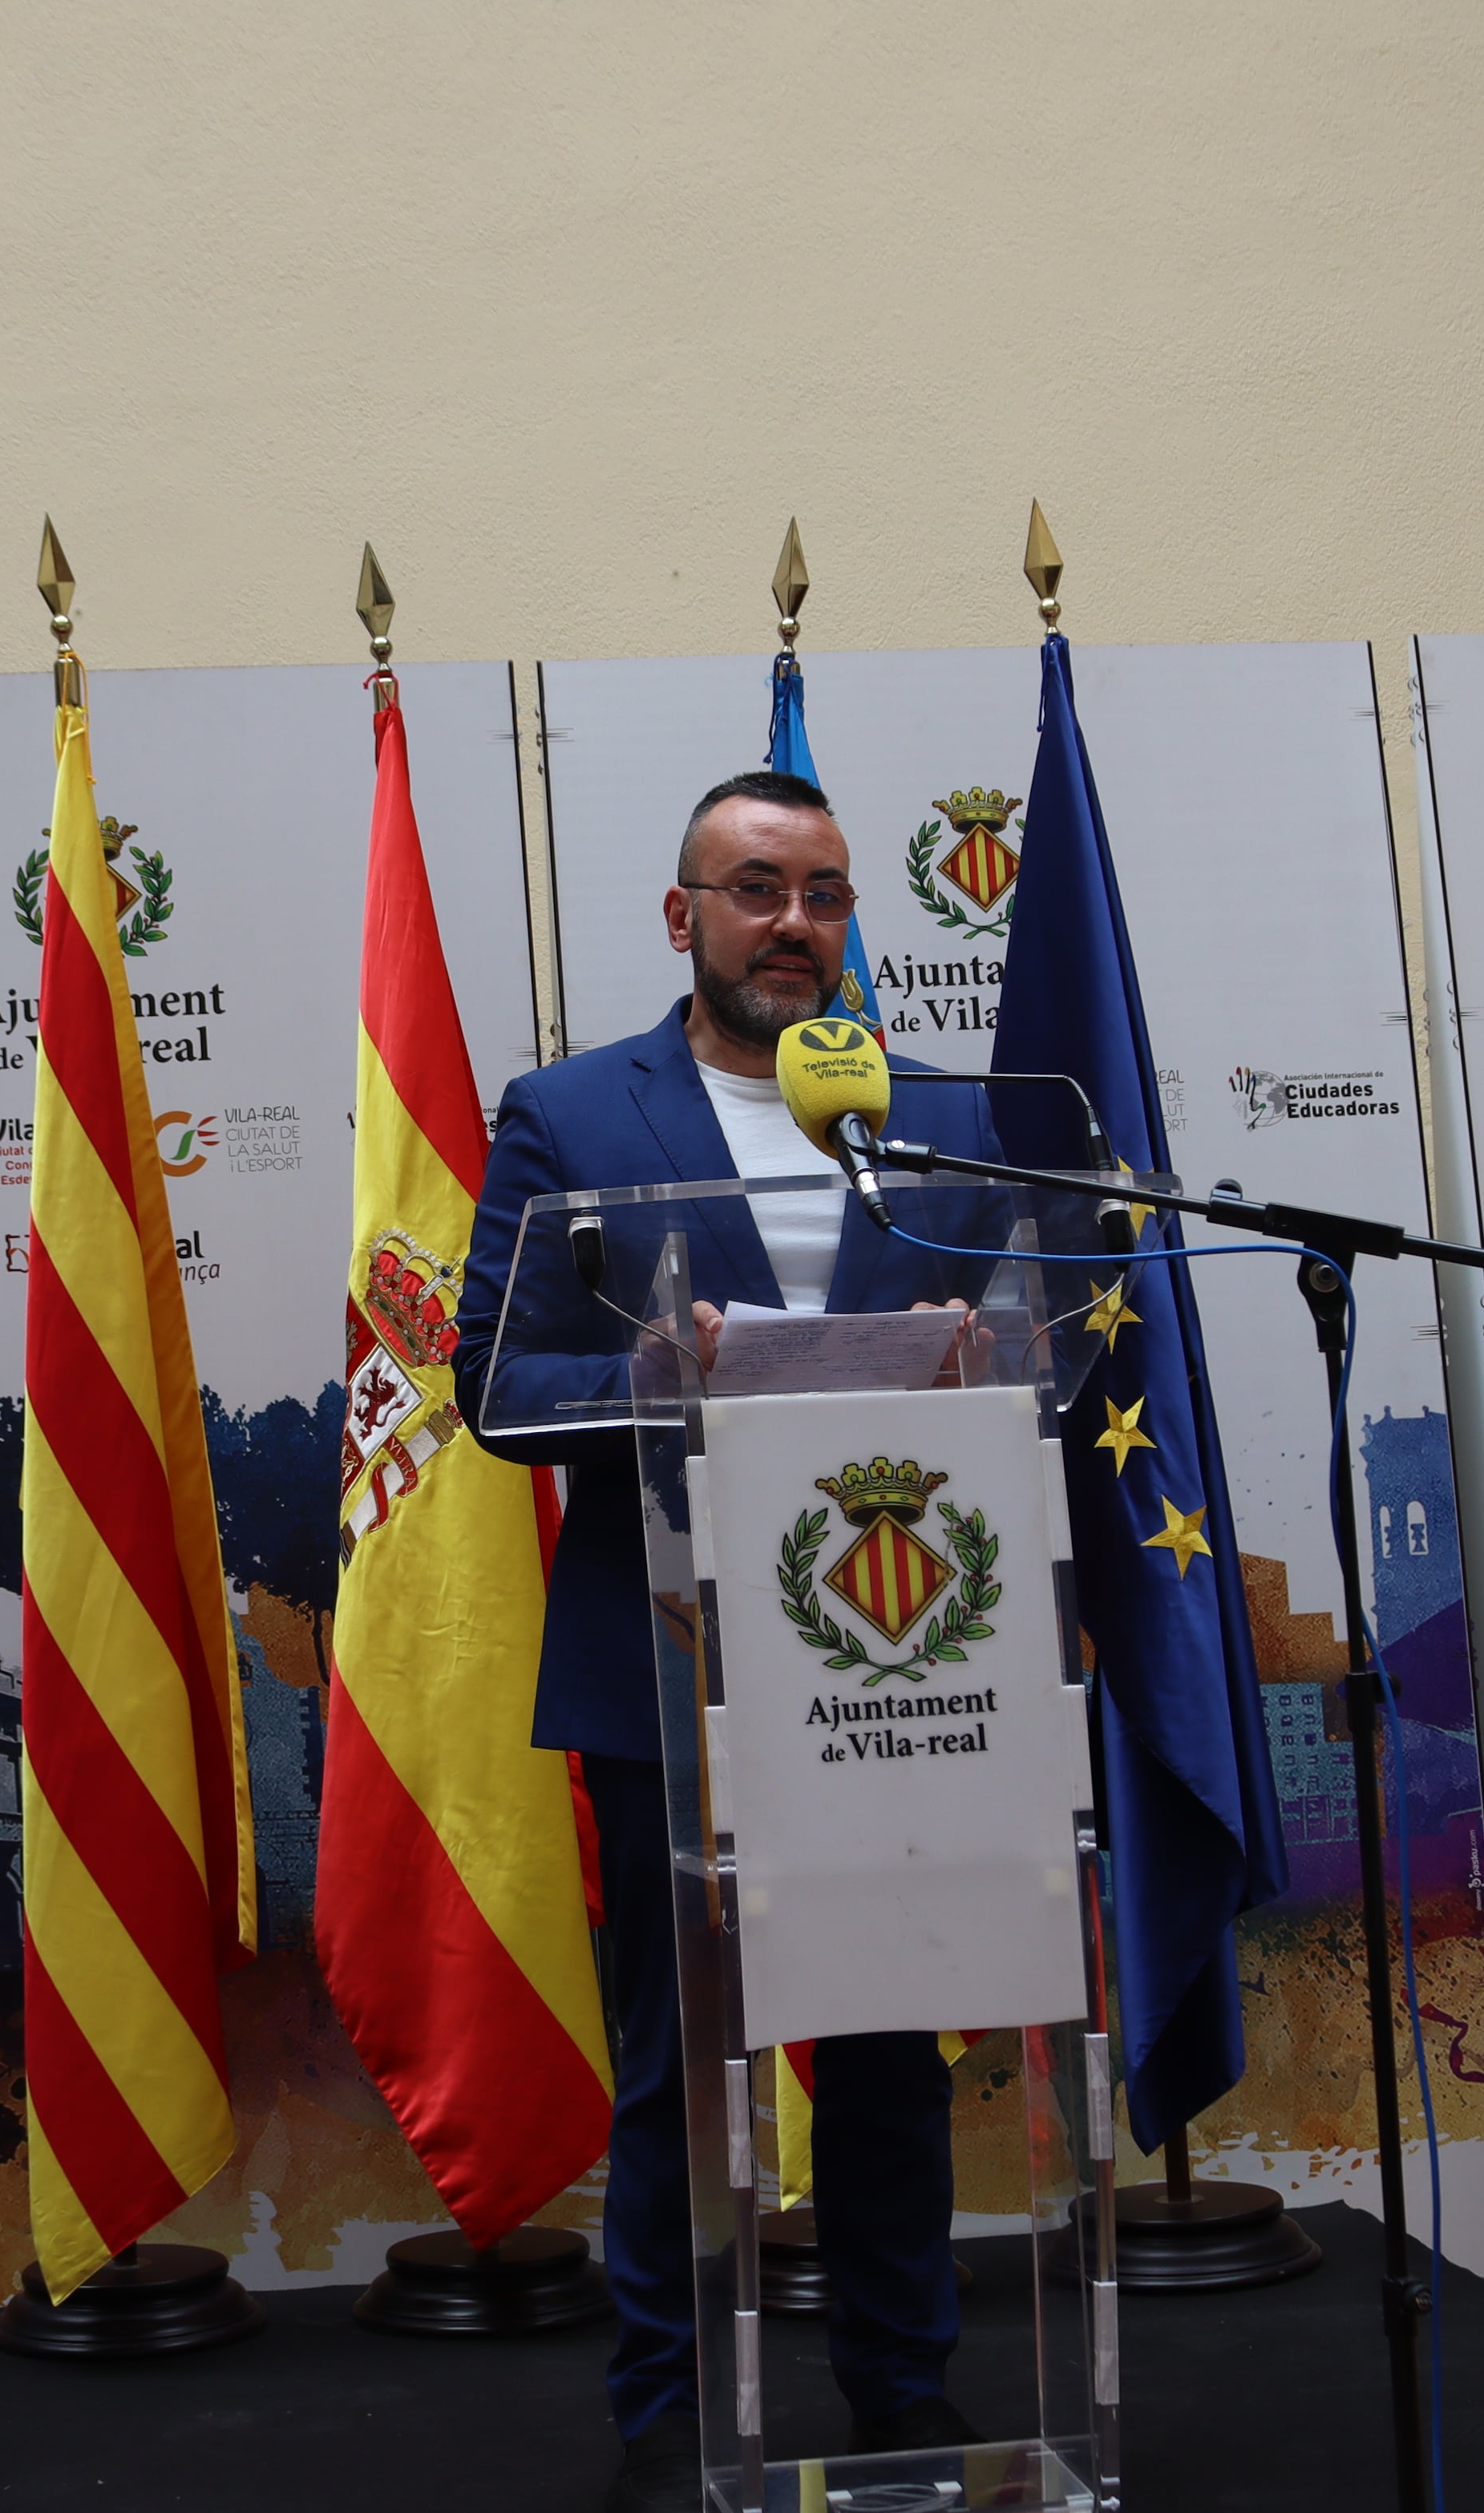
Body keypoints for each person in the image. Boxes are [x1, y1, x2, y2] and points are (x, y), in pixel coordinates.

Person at [452, 769, 1004, 2511]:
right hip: (669, 1672)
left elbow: (1031, 1345)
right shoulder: (567, 1115)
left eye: (825, 892)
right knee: (679, 2072)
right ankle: (665, 2412)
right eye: (755, 888)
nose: (793, 922)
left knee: (886, 2064)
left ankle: (905, 2395)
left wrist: (981, 1357)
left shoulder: (943, 1119)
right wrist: (651, 1375)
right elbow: (489, 1382)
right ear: (680, 916)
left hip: (894, 1661)